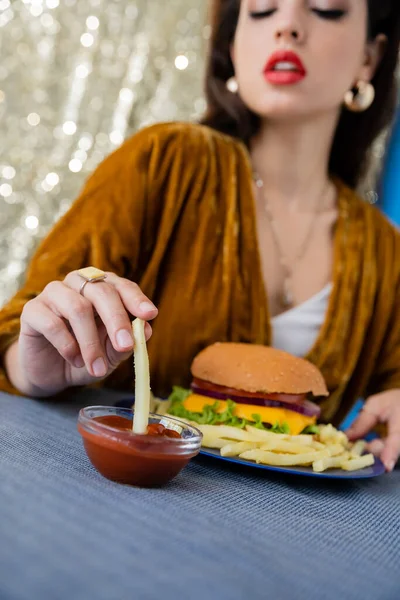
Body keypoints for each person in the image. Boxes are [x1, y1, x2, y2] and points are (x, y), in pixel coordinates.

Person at [0, 0, 400, 470]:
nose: (288, 26)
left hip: (296, 533)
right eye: (262, 9)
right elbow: (16, 338)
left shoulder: (385, 249)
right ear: (231, 46)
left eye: (325, 8)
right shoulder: (162, 163)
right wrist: (35, 368)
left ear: (370, 58)